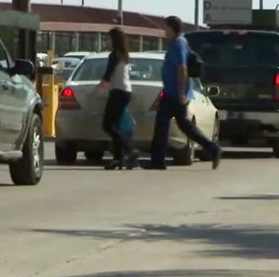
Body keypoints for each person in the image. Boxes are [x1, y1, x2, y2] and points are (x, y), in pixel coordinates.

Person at [147, 16, 222, 170]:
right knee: (184, 125)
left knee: (163, 124)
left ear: (171, 28)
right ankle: (212, 148)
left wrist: (181, 92)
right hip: (173, 91)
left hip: (175, 93)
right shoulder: (178, 42)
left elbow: (182, 68)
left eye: (166, 27)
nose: (164, 31)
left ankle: (158, 160)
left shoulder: (178, 44)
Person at [92, 27, 137, 170]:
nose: (107, 41)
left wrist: (95, 92)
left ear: (114, 39)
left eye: (108, 38)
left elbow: (107, 77)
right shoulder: (123, 54)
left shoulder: (114, 55)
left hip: (118, 92)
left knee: (108, 124)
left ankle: (129, 151)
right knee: (115, 125)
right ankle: (119, 158)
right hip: (125, 91)